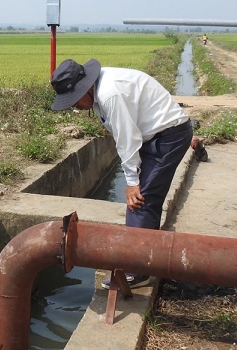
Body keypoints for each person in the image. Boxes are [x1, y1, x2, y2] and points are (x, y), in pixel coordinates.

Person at [50, 59, 192, 290]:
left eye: (74, 101)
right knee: (142, 201)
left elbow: (127, 140)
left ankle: (137, 270)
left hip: (167, 137)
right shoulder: (100, 87)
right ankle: (144, 257)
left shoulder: (109, 94)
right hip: (155, 136)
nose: (74, 107)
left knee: (140, 201)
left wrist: (132, 182)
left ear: (85, 88)